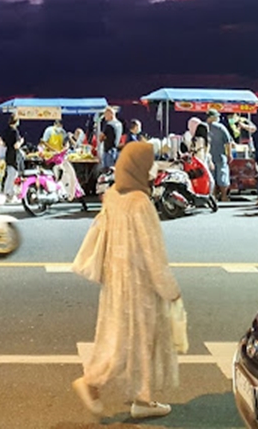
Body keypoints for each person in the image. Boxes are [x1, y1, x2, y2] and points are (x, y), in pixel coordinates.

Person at [72, 141, 181, 420]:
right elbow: (152, 251)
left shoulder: (113, 196)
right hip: (140, 284)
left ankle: (142, 398)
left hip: (116, 280)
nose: (153, 167)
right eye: (149, 162)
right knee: (135, 340)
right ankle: (92, 383)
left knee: (120, 336)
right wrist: (169, 289)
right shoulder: (139, 202)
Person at [206, 109, 233, 201]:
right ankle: (224, 196)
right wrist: (229, 154)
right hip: (220, 156)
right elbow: (228, 142)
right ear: (213, 117)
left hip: (208, 158)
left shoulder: (203, 127)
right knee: (223, 176)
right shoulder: (221, 127)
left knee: (211, 177)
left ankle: (213, 197)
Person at [0, 114, 22, 202]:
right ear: (16, 121)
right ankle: (10, 194)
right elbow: (16, 146)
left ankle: (6, 193)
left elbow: (3, 143)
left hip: (8, 153)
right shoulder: (15, 131)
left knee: (9, 174)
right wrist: (21, 142)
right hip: (14, 155)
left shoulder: (6, 131)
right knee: (13, 176)